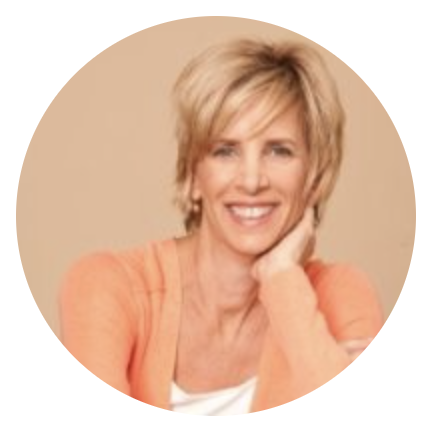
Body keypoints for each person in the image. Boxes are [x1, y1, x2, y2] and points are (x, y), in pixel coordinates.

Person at [59, 39, 384, 415]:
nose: (251, 180)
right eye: (225, 151)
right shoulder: (108, 285)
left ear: (314, 175)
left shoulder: (340, 295)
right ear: (192, 175)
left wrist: (281, 277)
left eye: (279, 150)